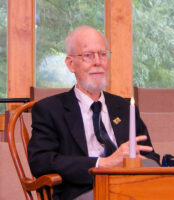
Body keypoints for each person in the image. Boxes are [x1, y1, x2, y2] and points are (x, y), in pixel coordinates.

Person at [27, 26, 159, 200]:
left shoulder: (125, 108)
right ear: (70, 63)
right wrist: (103, 163)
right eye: (88, 56)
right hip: (82, 193)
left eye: (103, 54)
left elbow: (150, 157)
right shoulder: (50, 110)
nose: (98, 62)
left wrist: (133, 162)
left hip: (129, 190)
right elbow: (41, 162)